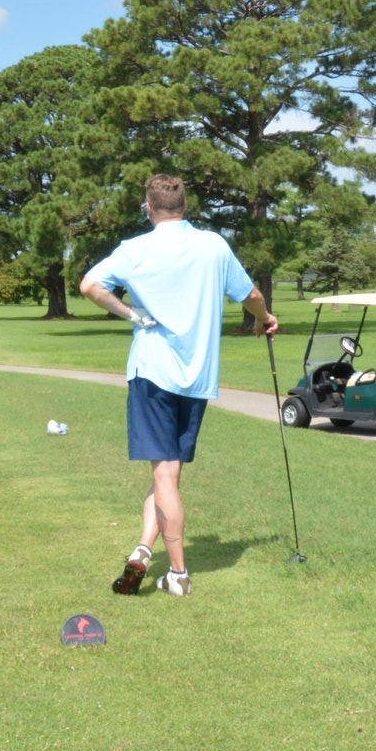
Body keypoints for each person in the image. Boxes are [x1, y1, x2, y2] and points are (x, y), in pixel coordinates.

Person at [78, 174, 277, 598]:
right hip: (197, 377)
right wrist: (265, 319)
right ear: (186, 206)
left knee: (164, 475)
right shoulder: (214, 246)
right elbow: (252, 294)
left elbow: (89, 286)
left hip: (152, 372)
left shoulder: (134, 250)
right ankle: (143, 551)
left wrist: (129, 313)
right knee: (169, 473)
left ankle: (179, 575)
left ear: (147, 208)